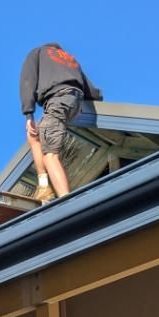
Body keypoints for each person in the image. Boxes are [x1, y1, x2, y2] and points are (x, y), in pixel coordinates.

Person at [19, 43, 102, 201]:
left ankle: (65, 199)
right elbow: (89, 87)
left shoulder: (37, 53)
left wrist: (28, 113)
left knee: (50, 155)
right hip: (75, 102)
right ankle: (43, 186)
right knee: (35, 136)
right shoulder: (66, 58)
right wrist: (98, 99)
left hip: (58, 99)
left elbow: (27, 81)